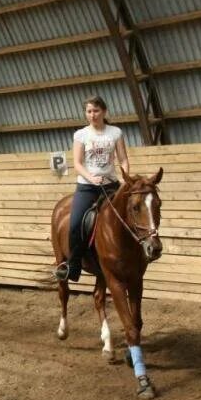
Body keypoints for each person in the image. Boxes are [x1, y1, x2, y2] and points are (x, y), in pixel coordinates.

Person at [55, 96, 129, 282]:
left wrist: (125, 178)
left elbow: (123, 160)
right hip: (87, 187)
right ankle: (73, 265)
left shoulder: (115, 133)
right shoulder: (81, 135)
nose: (92, 115)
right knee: (75, 223)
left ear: (104, 111)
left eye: (96, 111)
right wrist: (91, 178)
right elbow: (78, 164)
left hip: (111, 186)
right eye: (89, 111)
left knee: (130, 217)